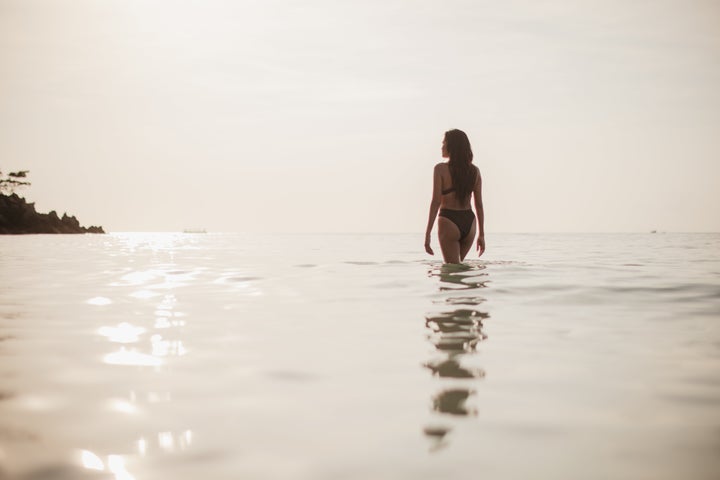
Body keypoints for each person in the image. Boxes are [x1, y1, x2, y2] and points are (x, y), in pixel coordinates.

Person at [424, 129, 485, 263]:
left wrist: (428, 233)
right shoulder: (475, 171)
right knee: (459, 270)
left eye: (444, 143)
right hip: (470, 223)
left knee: (451, 272)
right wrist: (481, 234)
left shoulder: (440, 169)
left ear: (452, 146)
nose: (442, 146)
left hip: (449, 220)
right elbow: (479, 205)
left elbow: (435, 202)